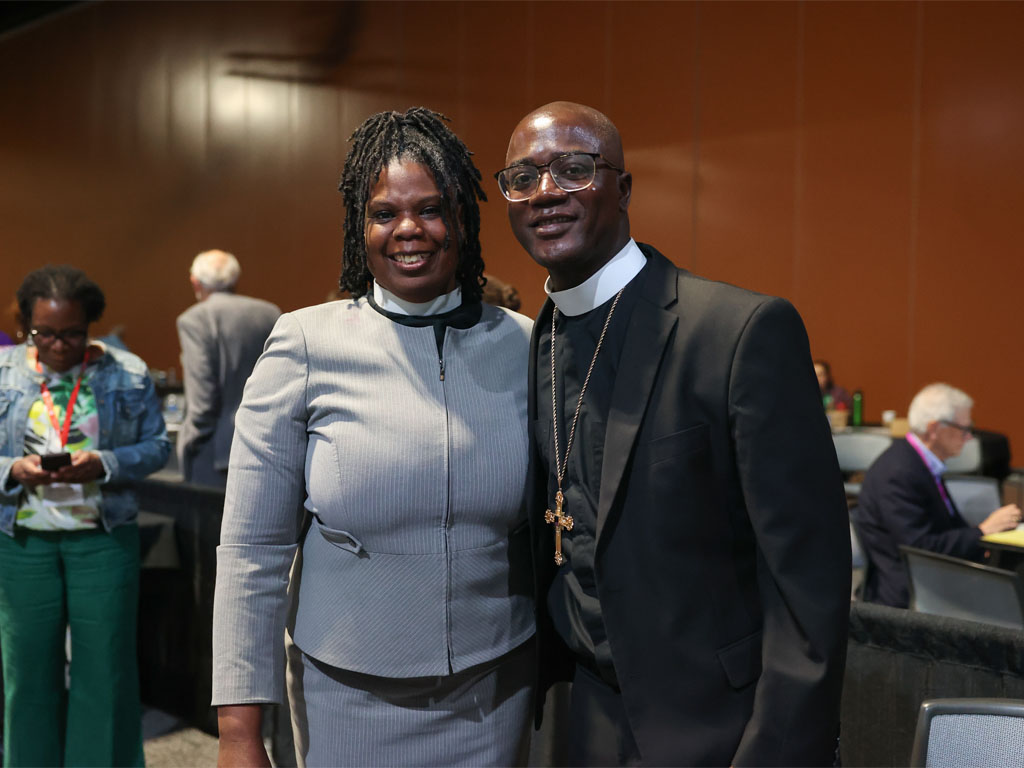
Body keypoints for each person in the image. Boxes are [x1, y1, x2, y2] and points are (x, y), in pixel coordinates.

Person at [497, 101, 851, 766]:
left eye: (574, 170)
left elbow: (809, 582)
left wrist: (775, 751)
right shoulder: (535, 339)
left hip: (720, 728)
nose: (545, 193)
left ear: (624, 188)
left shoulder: (738, 332)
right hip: (584, 717)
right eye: (523, 178)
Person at [212, 108, 536, 767]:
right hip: (346, 691)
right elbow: (252, 551)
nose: (408, 230)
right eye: (384, 213)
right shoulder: (304, 344)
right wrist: (240, 732)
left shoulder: (526, 346)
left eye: (430, 209)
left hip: (492, 689)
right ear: (359, 229)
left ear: (463, 220)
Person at [0, 265, 169, 766]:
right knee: (27, 672)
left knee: (106, 670)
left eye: (71, 333)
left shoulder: (127, 372)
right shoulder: (5, 373)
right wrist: (13, 468)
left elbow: (157, 448)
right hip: (21, 542)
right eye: (44, 333)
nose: (57, 345)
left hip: (103, 538)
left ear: (90, 325)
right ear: (26, 324)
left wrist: (106, 463)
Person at [855, 383, 1021, 607]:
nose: (969, 437)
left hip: (934, 575)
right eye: (964, 429)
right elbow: (919, 548)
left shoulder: (919, 461)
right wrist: (983, 531)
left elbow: (941, 529)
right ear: (934, 429)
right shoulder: (899, 472)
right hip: (912, 592)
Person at [176, 249, 280, 488]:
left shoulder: (195, 319)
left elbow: (202, 404)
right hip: (268, 445)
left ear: (195, 283)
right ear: (235, 279)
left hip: (214, 453)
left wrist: (185, 446)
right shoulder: (270, 313)